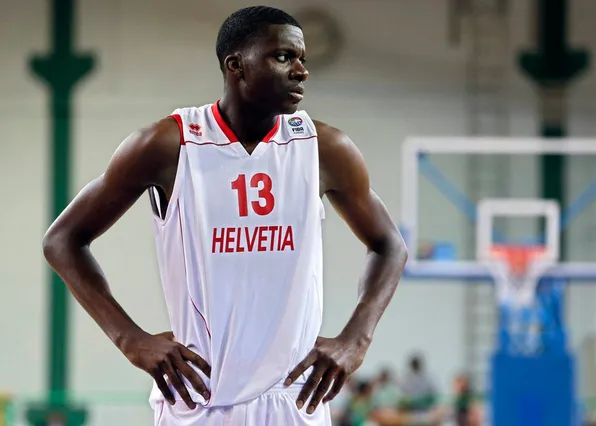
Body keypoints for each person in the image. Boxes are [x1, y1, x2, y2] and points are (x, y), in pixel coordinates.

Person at [42, 5, 408, 426]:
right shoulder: (167, 145)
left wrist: (356, 338)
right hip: (200, 394)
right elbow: (62, 240)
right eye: (284, 56)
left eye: (302, 59)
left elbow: (389, 245)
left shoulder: (324, 148)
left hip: (292, 398)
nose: (301, 71)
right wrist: (130, 339)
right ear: (236, 66)